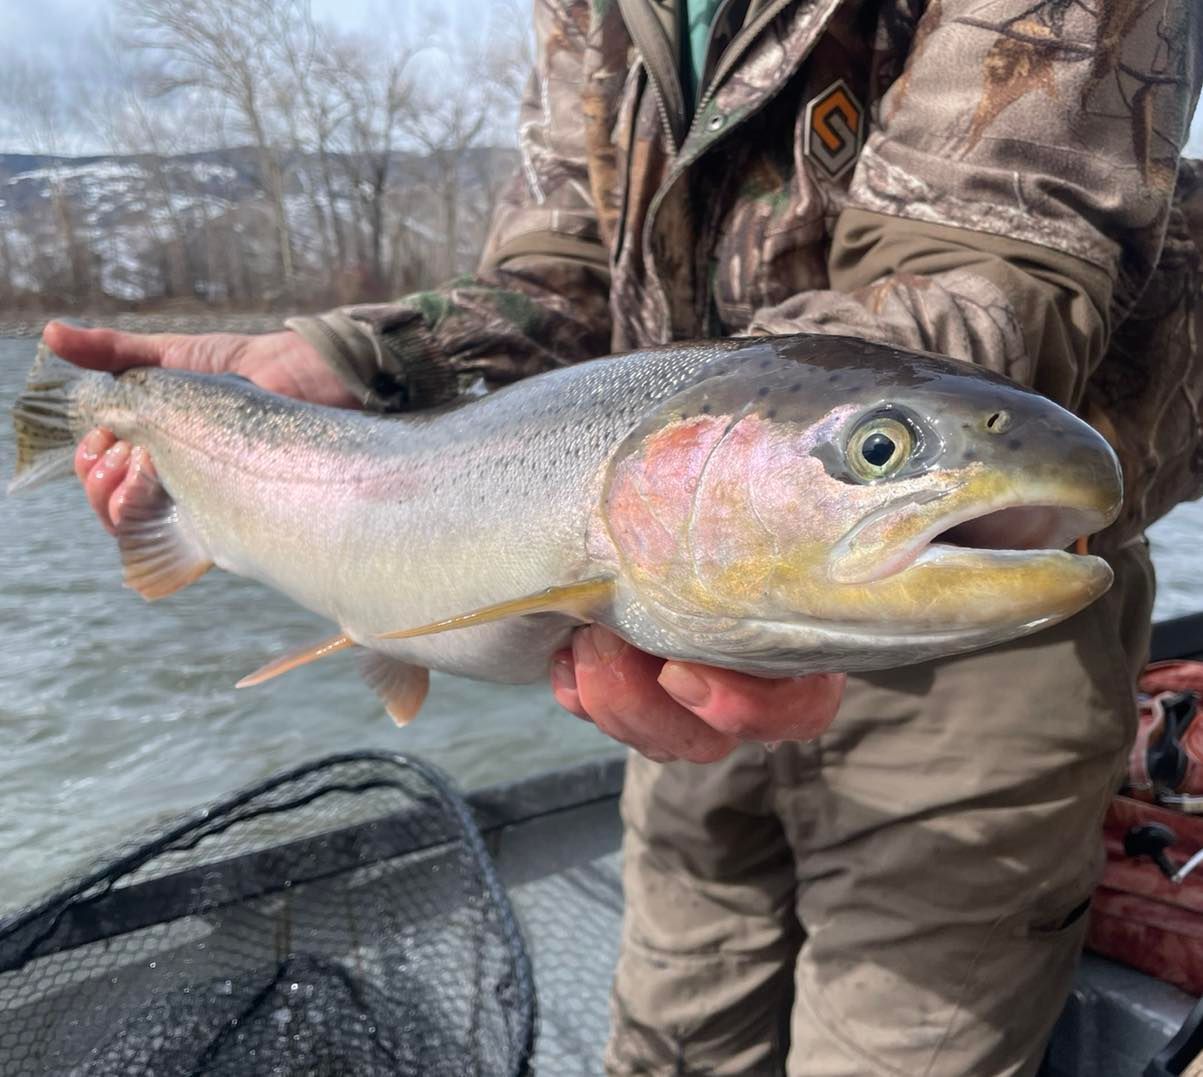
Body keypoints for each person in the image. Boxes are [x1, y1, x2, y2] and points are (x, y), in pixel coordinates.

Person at [55, 0, 1202, 1072]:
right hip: (669, 626)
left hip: (967, 615)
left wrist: (865, 455)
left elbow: (1006, 255)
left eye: (878, 451)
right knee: (672, 1035)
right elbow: (555, 279)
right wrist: (349, 364)